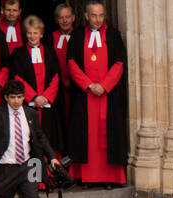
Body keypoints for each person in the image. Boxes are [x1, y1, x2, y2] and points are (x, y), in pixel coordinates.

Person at [66, 1, 127, 188]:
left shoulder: (113, 35)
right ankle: (85, 178)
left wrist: (104, 85)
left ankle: (110, 178)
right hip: (85, 95)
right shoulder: (76, 36)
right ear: (86, 16)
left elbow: (119, 64)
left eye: (101, 15)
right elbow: (71, 64)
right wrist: (89, 85)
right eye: (94, 15)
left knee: (108, 136)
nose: (98, 19)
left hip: (108, 95)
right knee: (86, 137)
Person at [9, 17, 60, 154]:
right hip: (27, 104)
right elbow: (17, 77)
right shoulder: (18, 54)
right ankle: (31, 173)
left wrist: (46, 97)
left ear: (41, 34)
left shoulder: (50, 52)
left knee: (48, 137)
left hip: (47, 104)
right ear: (26, 34)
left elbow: (56, 77)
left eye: (35, 33)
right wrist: (34, 97)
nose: (32, 36)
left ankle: (48, 171)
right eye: (29, 33)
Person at [50, 4, 76, 129]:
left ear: (73, 18)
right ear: (56, 20)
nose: (65, 21)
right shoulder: (50, 37)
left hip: (76, 86)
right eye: (61, 18)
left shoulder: (80, 36)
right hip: (57, 86)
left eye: (68, 17)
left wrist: (72, 81)